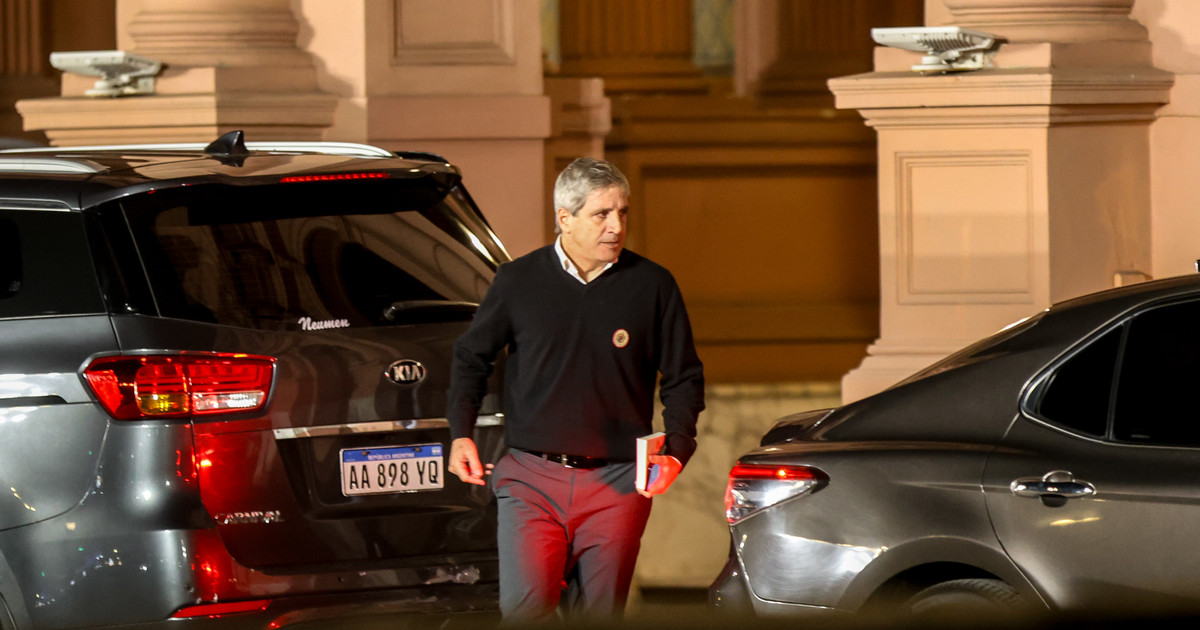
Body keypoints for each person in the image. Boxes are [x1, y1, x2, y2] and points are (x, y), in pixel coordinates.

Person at [446, 157, 705, 623]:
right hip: (530, 479)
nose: (616, 226)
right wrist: (460, 432)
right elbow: (471, 357)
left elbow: (684, 376)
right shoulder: (518, 281)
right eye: (601, 214)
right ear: (565, 218)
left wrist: (677, 448)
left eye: (622, 212)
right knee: (525, 615)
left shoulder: (653, 285)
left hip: (618, 483)